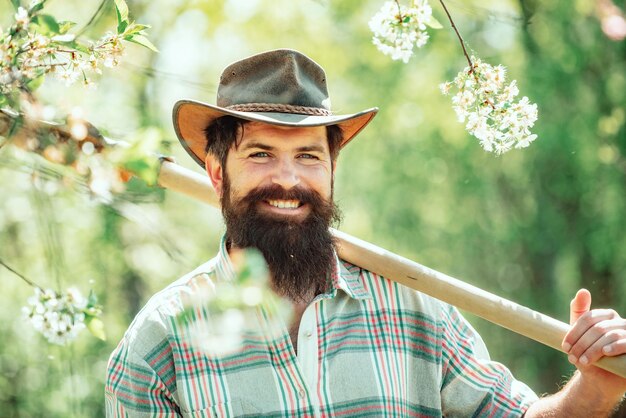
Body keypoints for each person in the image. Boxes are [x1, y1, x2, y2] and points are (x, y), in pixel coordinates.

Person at [105, 49, 626, 417]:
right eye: (261, 154)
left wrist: (594, 391)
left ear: (332, 172)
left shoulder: (418, 307)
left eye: (309, 157)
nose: (288, 179)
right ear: (217, 174)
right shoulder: (160, 342)